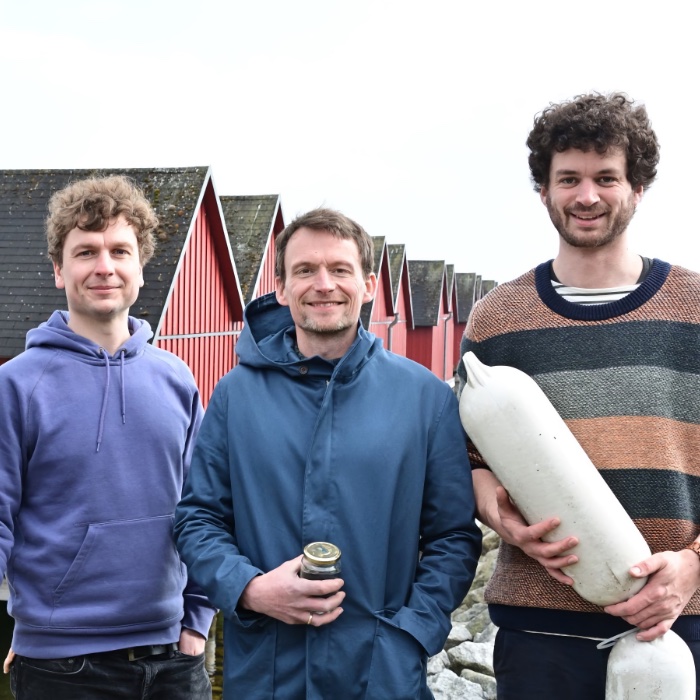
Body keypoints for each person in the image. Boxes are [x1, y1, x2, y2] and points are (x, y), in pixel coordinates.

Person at [174, 207, 482, 699]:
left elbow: (453, 536)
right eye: (305, 270)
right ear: (281, 288)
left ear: (368, 284)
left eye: (340, 269)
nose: (323, 285)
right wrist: (249, 589)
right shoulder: (235, 396)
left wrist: (410, 635)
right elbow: (198, 519)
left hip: (380, 677)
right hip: (267, 676)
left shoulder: (425, 399)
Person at [456, 92, 700, 698]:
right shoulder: (497, 319)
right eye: (568, 178)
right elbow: (468, 458)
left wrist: (693, 567)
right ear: (543, 190)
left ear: (637, 188)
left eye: (605, 177)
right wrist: (499, 515)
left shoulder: (695, 309)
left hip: (681, 623)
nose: (586, 196)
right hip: (541, 632)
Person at [0, 175, 216, 699]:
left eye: (120, 250)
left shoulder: (177, 379)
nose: (104, 267)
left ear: (140, 267)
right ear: (58, 270)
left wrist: (196, 621)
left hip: (174, 660)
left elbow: (208, 507)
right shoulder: (17, 385)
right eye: (85, 252)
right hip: (61, 667)